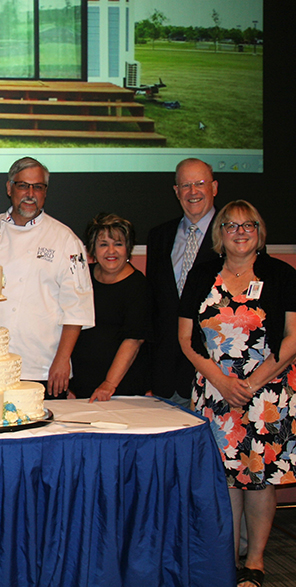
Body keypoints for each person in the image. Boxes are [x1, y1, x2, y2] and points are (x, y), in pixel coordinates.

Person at [178, 200, 296, 587]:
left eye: (250, 225)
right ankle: (225, 561)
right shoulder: (201, 276)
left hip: (267, 397)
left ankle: (256, 562)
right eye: (232, 225)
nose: (241, 231)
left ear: (260, 233)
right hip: (216, 393)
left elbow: (292, 338)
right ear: (220, 234)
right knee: (226, 480)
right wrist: (223, 383)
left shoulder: (281, 274)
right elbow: (186, 339)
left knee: (260, 480)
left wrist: (251, 384)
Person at [0, 157, 94, 398]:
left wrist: (62, 361)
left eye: (38, 187)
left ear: (45, 192)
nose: (30, 193)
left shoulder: (65, 240)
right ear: (9, 188)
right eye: (23, 186)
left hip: (40, 366)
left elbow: (77, 309)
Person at [147, 158, 219, 407]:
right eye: (185, 185)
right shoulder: (159, 236)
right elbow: (156, 306)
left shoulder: (234, 235)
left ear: (214, 188)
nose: (193, 192)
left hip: (216, 375)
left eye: (200, 183)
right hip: (166, 376)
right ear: (176, 191)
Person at [70, 213, 151, 401]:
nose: (111, 251)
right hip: (84, 384)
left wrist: (109, 384)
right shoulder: (83, 277)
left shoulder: (138, 285)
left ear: (128, 248)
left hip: (121, 388)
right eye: (103, 244)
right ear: (93, 249)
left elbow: (133, 341)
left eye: (119, 244)